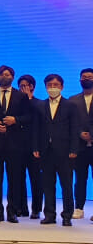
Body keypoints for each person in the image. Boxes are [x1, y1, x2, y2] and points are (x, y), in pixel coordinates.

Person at [0, 65, 31, 223]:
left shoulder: (21, 96)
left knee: (15, 179)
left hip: (15, 145)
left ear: (13, 77)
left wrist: (16, 120)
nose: (4, 77)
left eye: (8, 74)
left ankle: (12, 211)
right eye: (1, 74)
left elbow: (28, 116)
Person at [33, 74, 78, 226]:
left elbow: (74, 128)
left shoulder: (70, 105)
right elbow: (36, 129)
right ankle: (49, 215)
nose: (52, 88)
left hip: (65, 151)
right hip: (46, 151)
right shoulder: (40, 105)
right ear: (46, 87)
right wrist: (35, 147)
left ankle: (67, 215)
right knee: (47, 184)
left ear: (62, 87)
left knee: (66, 185)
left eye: (56, 85)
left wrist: (74, 149)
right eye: (50, 85)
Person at [18, 74, 43, 219]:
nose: (22, 89)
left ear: (32, 86)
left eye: (25, 86)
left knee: (36, 179)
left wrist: (28, 99)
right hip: (18, 147)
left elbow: (36, 121)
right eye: (20, 86)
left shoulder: (39, 103)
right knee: (19, 179)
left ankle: (36, 209)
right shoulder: (17, 104)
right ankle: (22, 208)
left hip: (34, 147)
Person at [69, 68, 93, 220]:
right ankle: (79, 207)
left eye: (90, 77)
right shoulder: (73, 100)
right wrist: (80, 134)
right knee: (80, 178)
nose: (86, 79)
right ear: (79, 80)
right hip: (79, 146)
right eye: (84, 77)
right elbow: (70, 122)